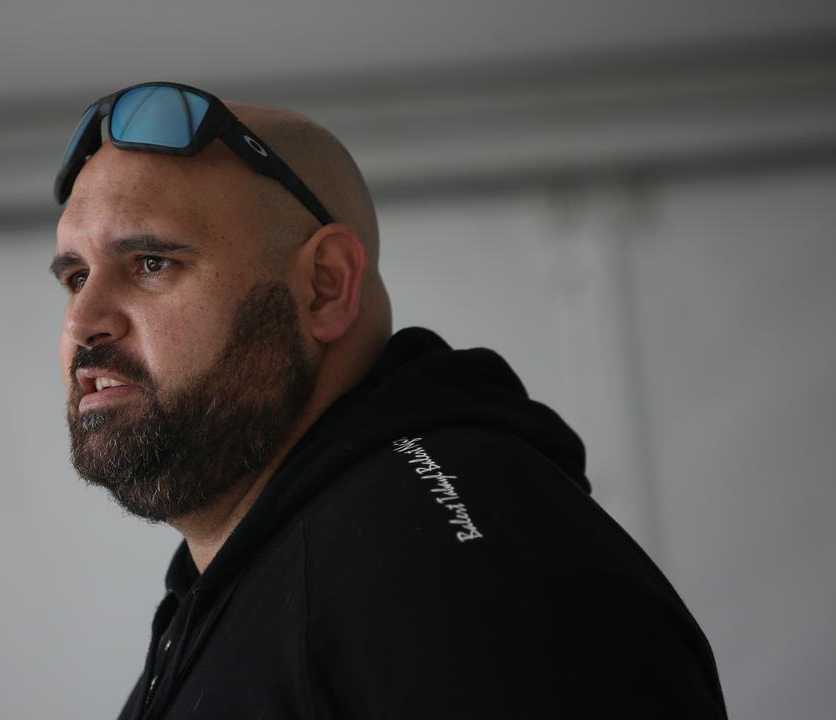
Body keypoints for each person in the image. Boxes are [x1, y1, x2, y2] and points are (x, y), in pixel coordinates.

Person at [49, 82, 727, 719]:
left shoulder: (438, 559)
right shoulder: (260, 577)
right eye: (76, 276)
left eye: (151, 264)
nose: (84, 322)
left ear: (325, 285)